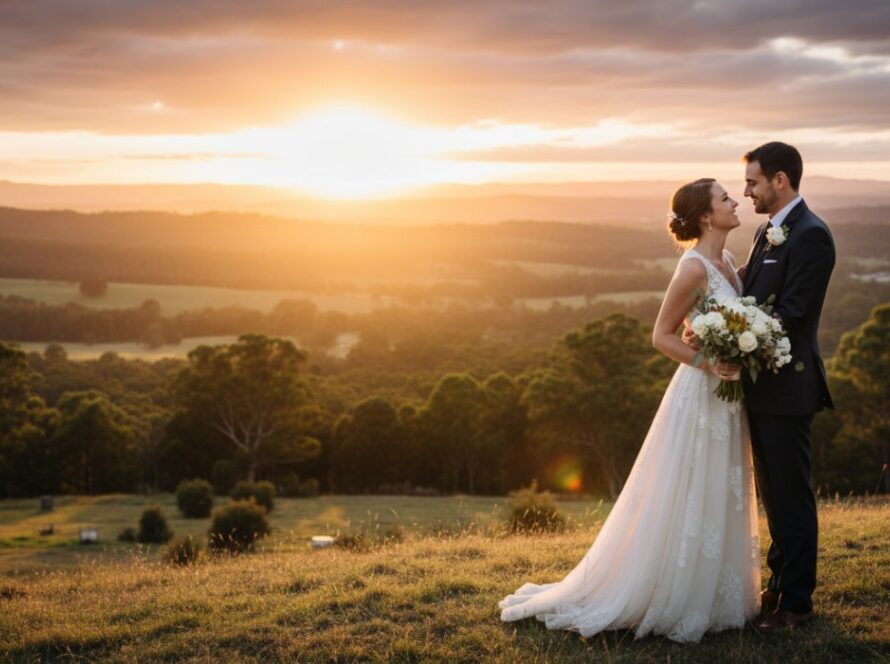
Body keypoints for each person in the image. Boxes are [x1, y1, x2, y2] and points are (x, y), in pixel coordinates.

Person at [499, 178, 761, 643]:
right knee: (690, 488)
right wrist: (709, 361)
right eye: (725, 198)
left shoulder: (729, 262)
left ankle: (717, 593)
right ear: (705, 215)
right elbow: (660, 335)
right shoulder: (694, 268)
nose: (735, 201)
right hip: (700, 393)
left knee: (721, 488)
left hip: (728, 397)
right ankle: (672, 592)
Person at [735, 142, 834, 629]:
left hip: (788, 388)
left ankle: (797, 602)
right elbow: (755, 290)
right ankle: (778, 583)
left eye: (753, 182)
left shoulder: (812, 235)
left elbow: (792, 314)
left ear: (780, 180)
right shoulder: (765, 230)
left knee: (792, 494)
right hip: (761, 387)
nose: (746, 191)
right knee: (772, 493)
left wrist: (733, 334)